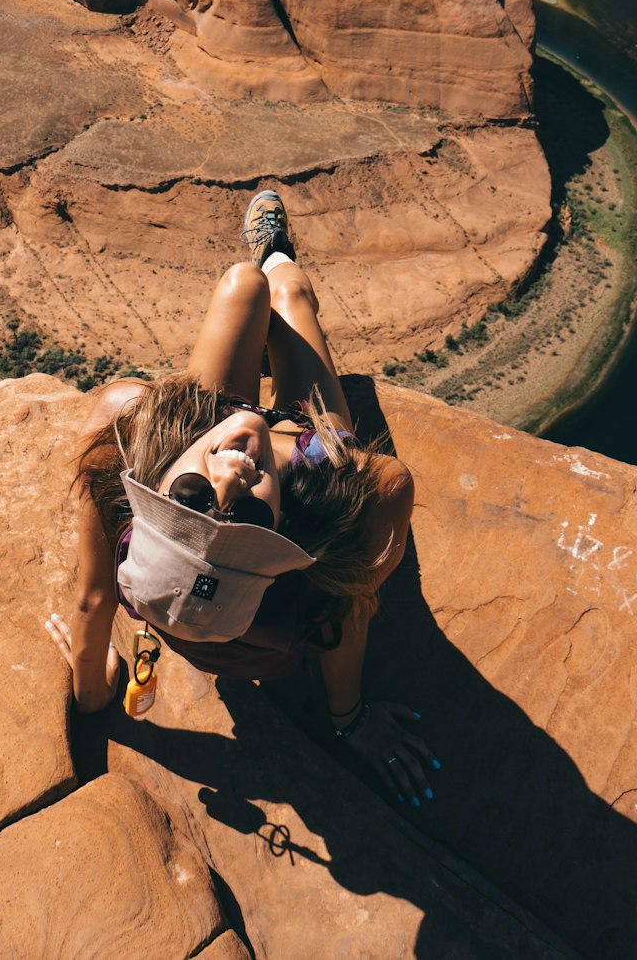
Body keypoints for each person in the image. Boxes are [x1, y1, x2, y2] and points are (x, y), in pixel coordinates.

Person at [46, 189, 439, 805]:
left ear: (150, 493)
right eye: (249, 517)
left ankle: (258, 298)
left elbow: (94, 599)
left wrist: (91, 687)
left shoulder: (125, 443)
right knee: (287, 292)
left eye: (192, 498)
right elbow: (347, 622)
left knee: (239, 286)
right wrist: (351, 721)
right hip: (300, 456)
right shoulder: (339, 488)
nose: (231, 473)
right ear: (284, 536)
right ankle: (279, 261)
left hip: (203, 425)